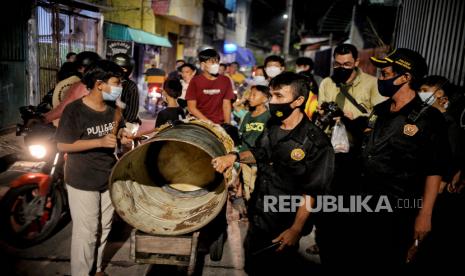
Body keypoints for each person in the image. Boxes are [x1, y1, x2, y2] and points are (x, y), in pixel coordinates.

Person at [212, 72, 335, 275]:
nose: (273, 102)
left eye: (279, 97)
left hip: (283, 224)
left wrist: (295, 229)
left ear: (298, 101)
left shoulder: (316, 142)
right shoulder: (273, 126)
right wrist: (233, 157)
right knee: (252, 267)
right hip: (259, 216)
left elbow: (313, 192)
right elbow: (259, 153)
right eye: (271, 96)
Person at [356, 48, 450, 269]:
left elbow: (434, 169)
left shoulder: (429, 119)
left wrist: (425, 215)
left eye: (386, 74)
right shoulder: (379, 110)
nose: (381, 79)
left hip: (400, 211)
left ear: (406, 77)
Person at [55, 60, 131, 276]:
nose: (119, 87)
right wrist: (98, 142)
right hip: (82, 179)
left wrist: (122, 136)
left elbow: (118, 130)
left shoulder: (113, 109)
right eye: (116, 82)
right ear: (100, 84)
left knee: (104, 227)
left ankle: (96, 269)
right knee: (86, 232)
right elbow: (62, 144)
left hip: (108, 176)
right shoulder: (74, 110)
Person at [46, 51, 102, 126]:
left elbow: (62, 110)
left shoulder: (80, 86)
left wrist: (42, 119)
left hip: (78, 128)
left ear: (81, 68)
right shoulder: (105, 84)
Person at [185, 48, 235, 124]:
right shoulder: (195, 81)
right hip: (199, 123)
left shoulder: (225, 80)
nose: (215, 65)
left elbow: (226, 105)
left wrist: (227, 125)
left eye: (217, 62)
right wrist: (209, 123)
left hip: (219, 124)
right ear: (203, 65)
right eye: (212, 62)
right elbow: (191, 107)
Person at [110, 53, 141, 135]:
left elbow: (132, 114)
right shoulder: (131, 86)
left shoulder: (131, 86)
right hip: (112, 123)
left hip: (122, 122)